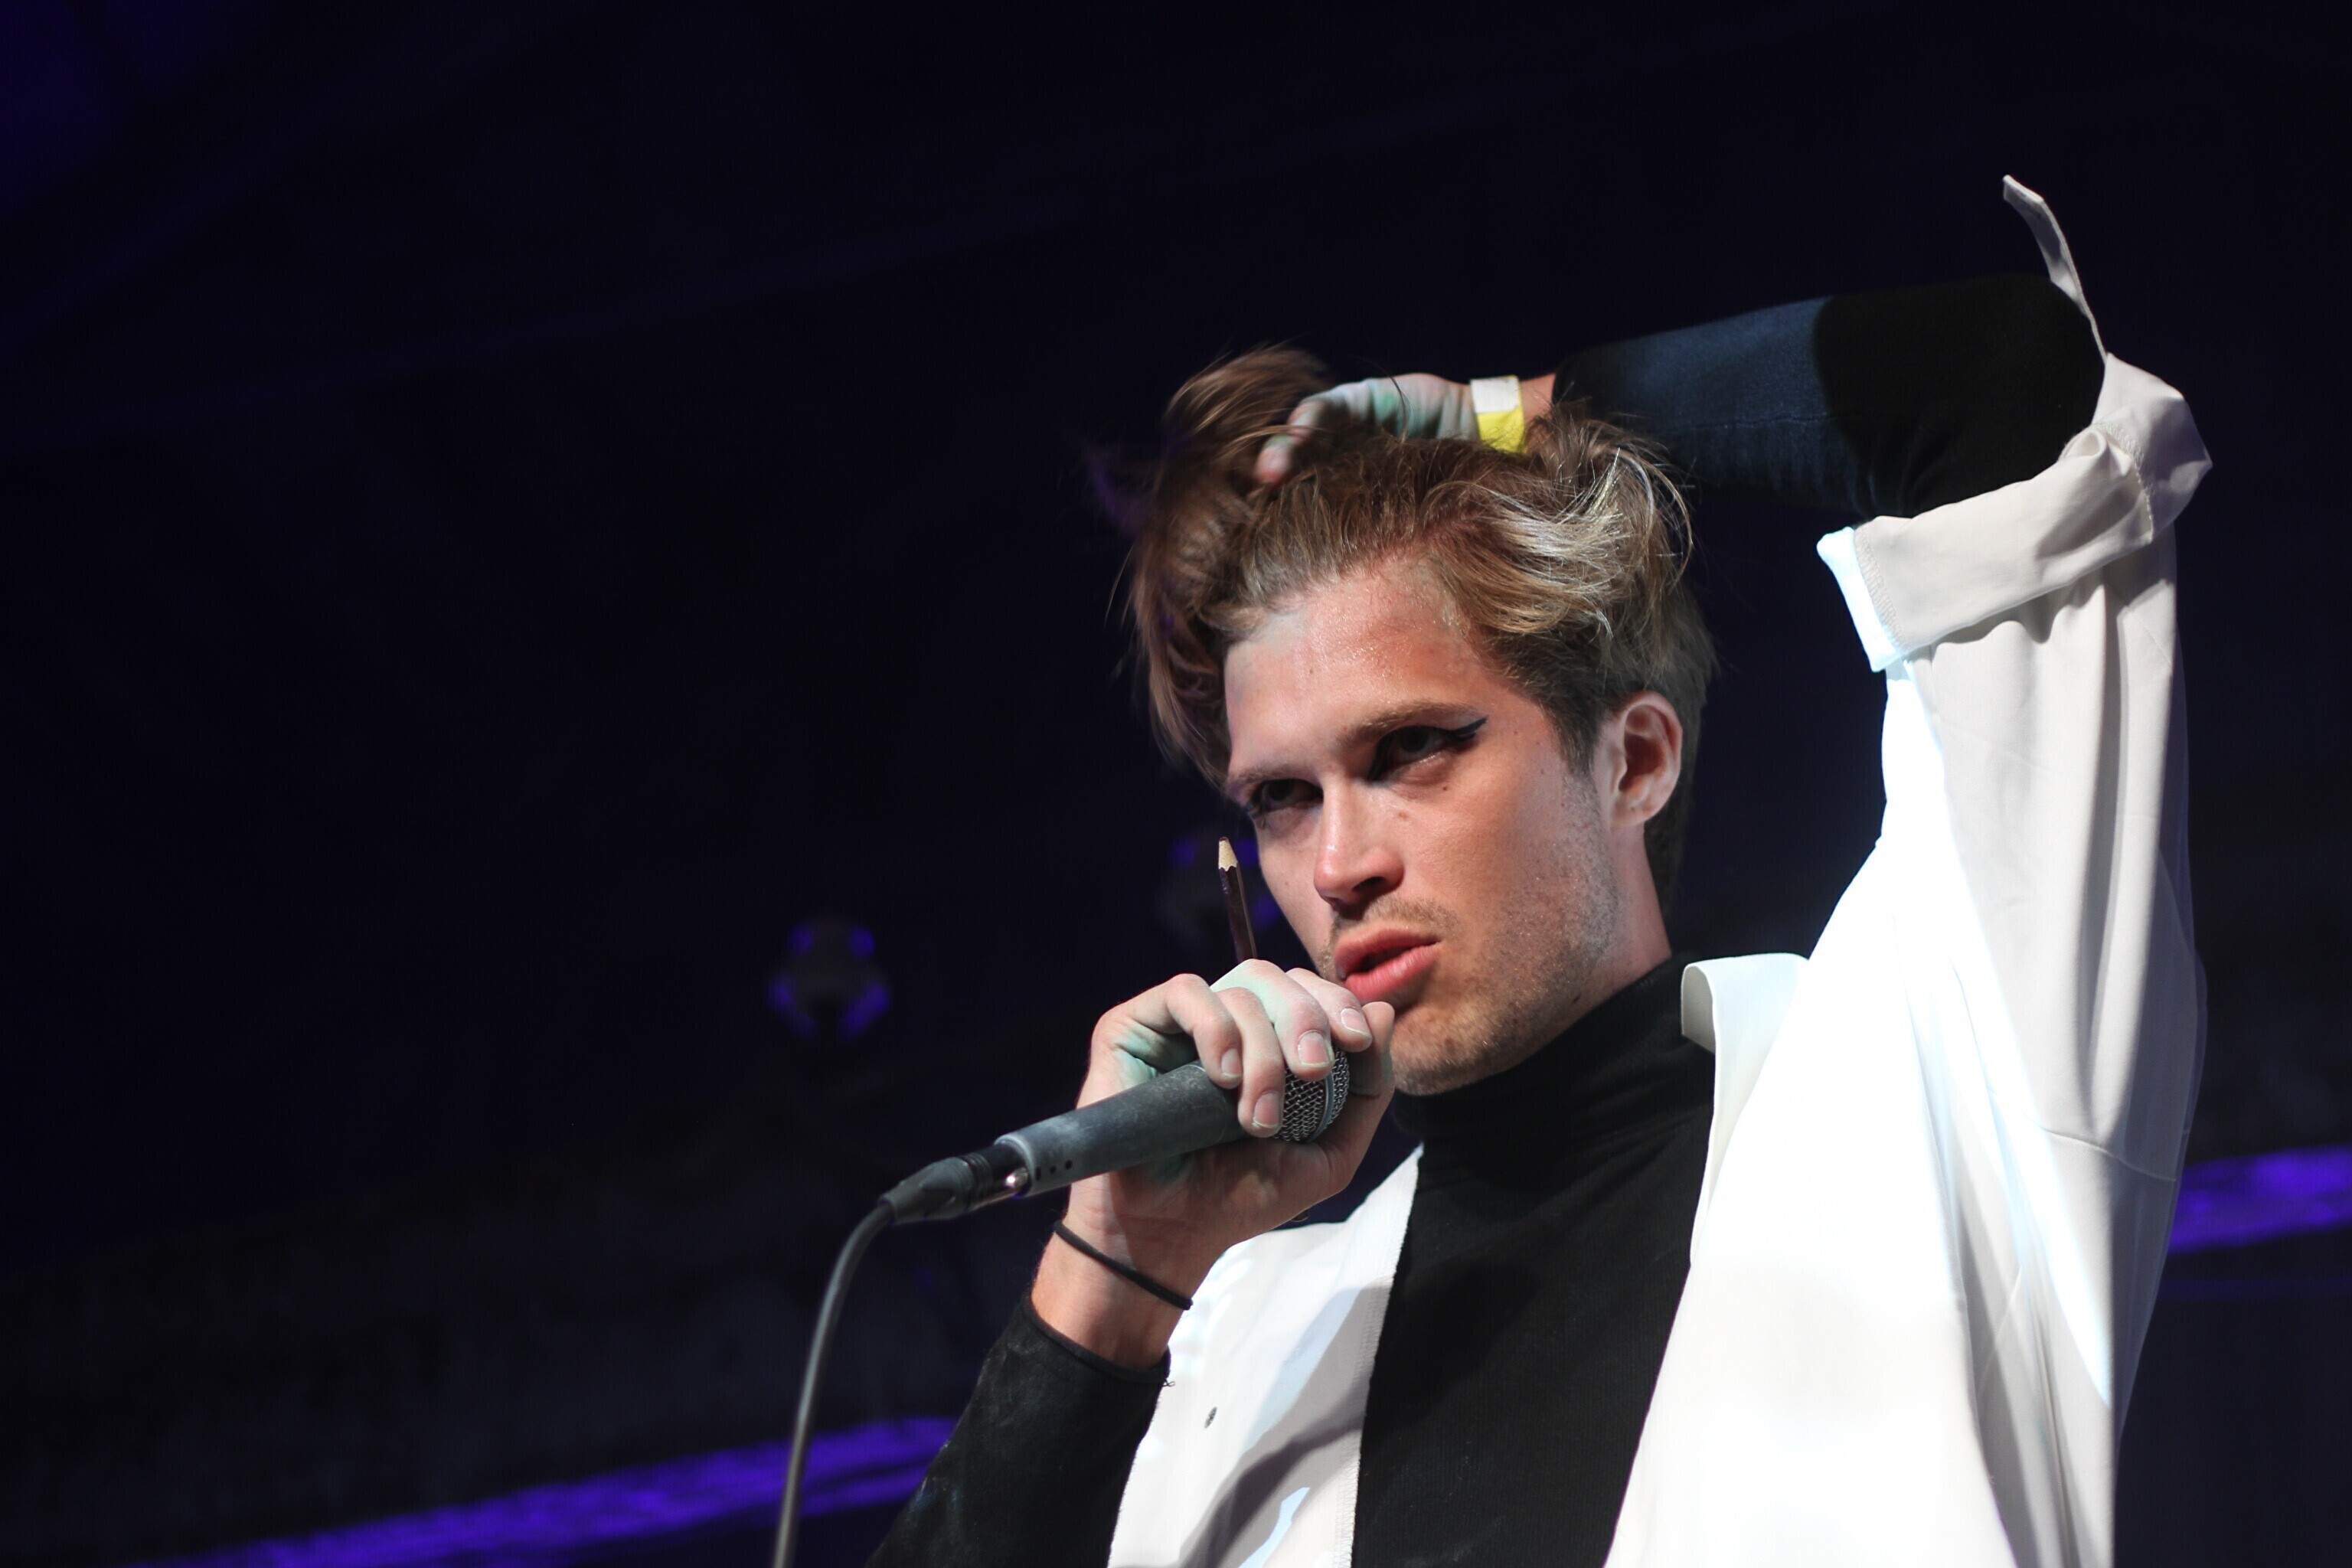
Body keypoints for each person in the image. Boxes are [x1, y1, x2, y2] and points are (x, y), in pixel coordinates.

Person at [868, 180, 2207, 1568]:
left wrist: (1512, 416)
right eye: (1282, 800)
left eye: (1410, 750)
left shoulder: (1937, 1081)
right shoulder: (1249, 1341)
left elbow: (2006, 391)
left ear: (1633, 760)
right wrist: (1114, 1281)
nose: (1339, 867)